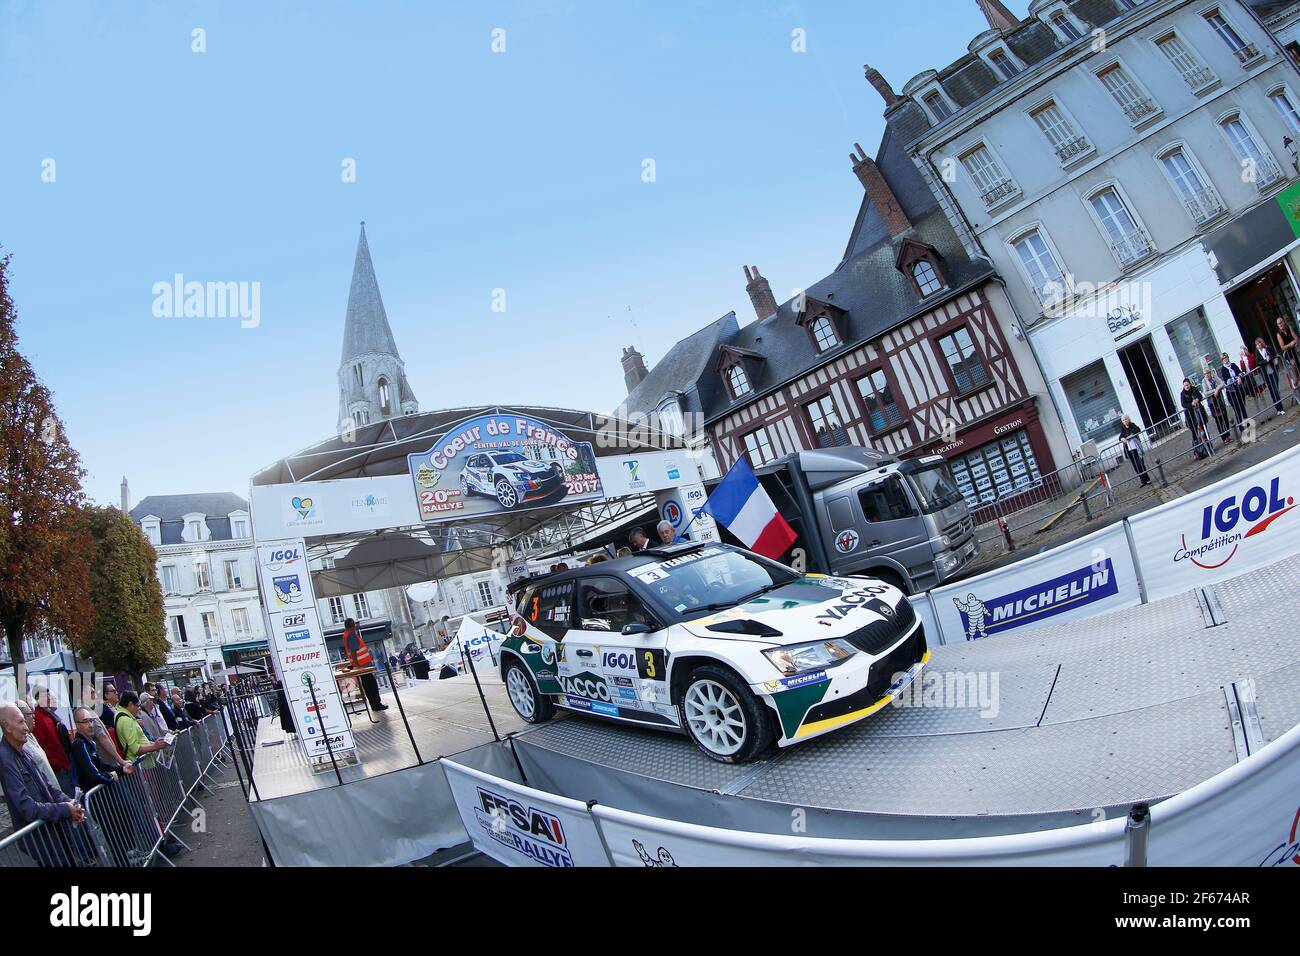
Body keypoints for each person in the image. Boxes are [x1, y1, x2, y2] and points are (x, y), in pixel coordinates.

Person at [0, 702, 86, 829]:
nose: (26, 728)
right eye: (20, 722)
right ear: (7, 726)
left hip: (52, 832)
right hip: (39, 841)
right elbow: (27, 808)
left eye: (25, 721)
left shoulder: (23, 751)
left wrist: (69, 802)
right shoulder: (5, 759)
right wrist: (65, 809)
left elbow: (47, 785)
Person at [113, 691, 171, 768]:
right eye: (137, 705)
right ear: (130, 704)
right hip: (141, 767)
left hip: (142, 765)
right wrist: (154, 746)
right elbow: (136, 750)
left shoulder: (122, 716)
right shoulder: (126, 720)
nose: (139, 708)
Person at [342, 617, 387, 712]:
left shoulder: (346, 634)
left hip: (361, 665)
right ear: (351, 626)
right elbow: (354, 651)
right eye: (354, 624)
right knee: (371, 685)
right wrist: (358, 665)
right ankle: (376, 704)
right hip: (362, 665)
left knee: (368, 684)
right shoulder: (351, 635)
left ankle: (374, 704)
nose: (355, 626)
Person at [14, 699, 60, 790]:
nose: (34, 715)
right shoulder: (21, 743)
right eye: (30, 713)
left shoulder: (30, 735)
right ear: (22, 717)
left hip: (54, 792)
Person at [1200, 360, 1231, 445]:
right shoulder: (1204, 382)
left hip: (1219, 400)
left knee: (1225, 418)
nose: (1207, 375)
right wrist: (1214, 390)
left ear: (1210, 372)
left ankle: (1228, 434)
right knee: (1219, 421)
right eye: (1205, 374)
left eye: (1208, 373)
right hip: (1212, 403)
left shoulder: (1214, 376)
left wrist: (1218, 389)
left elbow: (1222, 383)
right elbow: (1205, 393)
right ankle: (1224, 437)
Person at [1181, 377, 1213, 459]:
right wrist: (1191, 404)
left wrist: (1197, 400)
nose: (1186, 387)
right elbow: (1183, 404)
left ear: (1190, 384)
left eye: (1187, 385)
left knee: (1204, 431)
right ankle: (1196, 452)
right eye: (1185, 386)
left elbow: (1200, 396)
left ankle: (1209, 447)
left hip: (1199, 413)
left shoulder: (1194, 389)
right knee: (1195, 434)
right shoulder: (1183, 394)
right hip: (1191, 416)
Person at [1217, 352, 1248, 429]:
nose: (1225, 359)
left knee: (1242, 407)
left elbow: (1240, 373)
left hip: (1239, 390)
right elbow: (1226, 380)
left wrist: (1240, 377)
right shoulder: (1223, 369)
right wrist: (1236, 378)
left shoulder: (1233, 365)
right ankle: (1241, 427)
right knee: (1237, 409)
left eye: (1226, 357)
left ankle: (1247, 423)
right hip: (1231, 392)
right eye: (1223, 358)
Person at [1117, 415, 1150, 486]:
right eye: (1123, 420)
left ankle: (1147, 479)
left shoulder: (1132, 425)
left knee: (1140, 464)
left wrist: (1129, 436)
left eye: (1125, 419)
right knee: (1135, 466)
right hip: (1129, 450)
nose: (1124, 421)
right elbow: (1120, 436)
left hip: (1136, 448)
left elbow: (1137, 430)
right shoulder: (1123, 428)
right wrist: (1122, 439)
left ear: (1128, 419)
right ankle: (1143, 481)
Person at [1256, 336, 1285, 415]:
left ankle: (1281, 408)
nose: (1257, 345)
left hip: (1273, 371)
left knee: (1275, 389)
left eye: (1258, 343)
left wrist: (1270, 358)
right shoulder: (1258, 353)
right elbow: (1258, 363)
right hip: (1266, 375)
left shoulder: (1267, 348)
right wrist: (1265, 361)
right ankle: (1278, 409)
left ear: (1261, 343)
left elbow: (1274, 353)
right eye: (1256, 344)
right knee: (1272, 392)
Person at [1275, 315, 1298, 390]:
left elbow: (1296, 338)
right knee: (1293, 363)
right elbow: (1282, 347)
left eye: (1281, 322)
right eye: (1278, 324)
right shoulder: (1279, 334)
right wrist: (1290, 344)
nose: (1280, 325)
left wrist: (1295, 341)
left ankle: (1297, 380)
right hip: (1287, 353)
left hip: (1294, 350)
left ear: (1283, 322)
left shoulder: (1288, 327)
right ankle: (1297, 379)